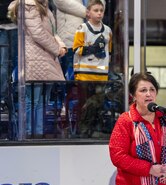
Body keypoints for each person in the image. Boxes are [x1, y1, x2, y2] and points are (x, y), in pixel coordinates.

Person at [8, 0, 67, 138]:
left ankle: (39, 132)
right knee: (32, 100)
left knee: (43, 100)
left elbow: (53, 32)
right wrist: (57, 48)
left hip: (48, 57)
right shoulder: (28, 6)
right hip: (35, 58)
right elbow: (38, 33)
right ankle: (28, 133)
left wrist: (61, 45)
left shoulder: (46, 7)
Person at [53, 0, 106, 80]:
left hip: (93, 41)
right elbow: (60, 1)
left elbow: (101, 5)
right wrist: (88, 13)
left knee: (90, 80)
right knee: (70, 80)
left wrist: (93, 11)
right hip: (71, 41)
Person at [73, 0, 112, 82]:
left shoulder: (108, 31)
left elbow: (109, 52)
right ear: (88, 12)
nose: (99, 13)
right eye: (96, 10)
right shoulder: (82, 28)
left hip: (102, 74)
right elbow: (76, 49)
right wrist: (93, 48)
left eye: (101, 10)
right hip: (84, 74)